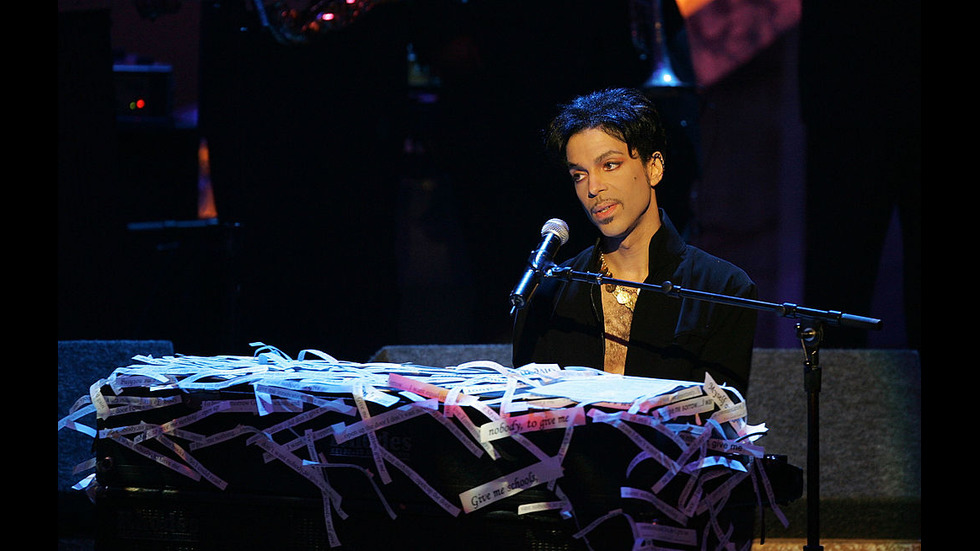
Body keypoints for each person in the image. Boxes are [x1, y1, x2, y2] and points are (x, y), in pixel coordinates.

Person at [512, 87, 758, 395]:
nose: (593, 188)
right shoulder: (549, 293)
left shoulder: (723, 289)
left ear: (653, 168)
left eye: (609, 165)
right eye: (579, 175)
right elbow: (525, 412)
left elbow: (720, 415)